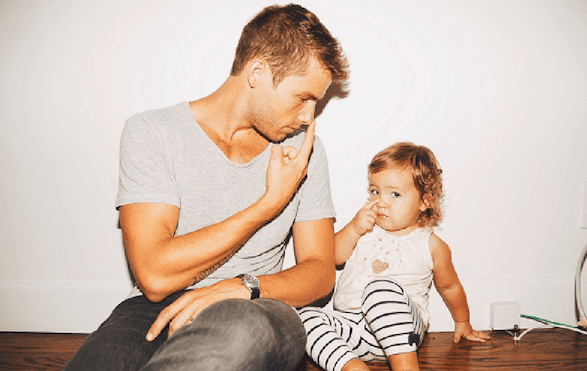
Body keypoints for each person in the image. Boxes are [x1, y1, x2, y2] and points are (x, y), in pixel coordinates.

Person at [63, 4, 349, 371]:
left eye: (318, 102)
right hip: (156, 306)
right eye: (304, 98)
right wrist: (267, 205)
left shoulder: (304, 151)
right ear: (258, 72)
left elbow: (321, 272)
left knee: (237, 339)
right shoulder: (153, 133)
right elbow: (153, 276)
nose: (309, 116)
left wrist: (244, 287)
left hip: (258, 305)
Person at [299, 142, 490, 371]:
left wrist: (462, 322)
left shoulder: (430, 245)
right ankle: (350, 366)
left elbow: (450, 287)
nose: (381, 202)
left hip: (403, 333)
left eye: (395, 194)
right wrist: (354, 228)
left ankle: (405, 366)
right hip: (354, 329)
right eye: (375, 191)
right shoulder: (365, 230)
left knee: (379, 290)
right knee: (302, 318)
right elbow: (333, 258)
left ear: (424, 201)